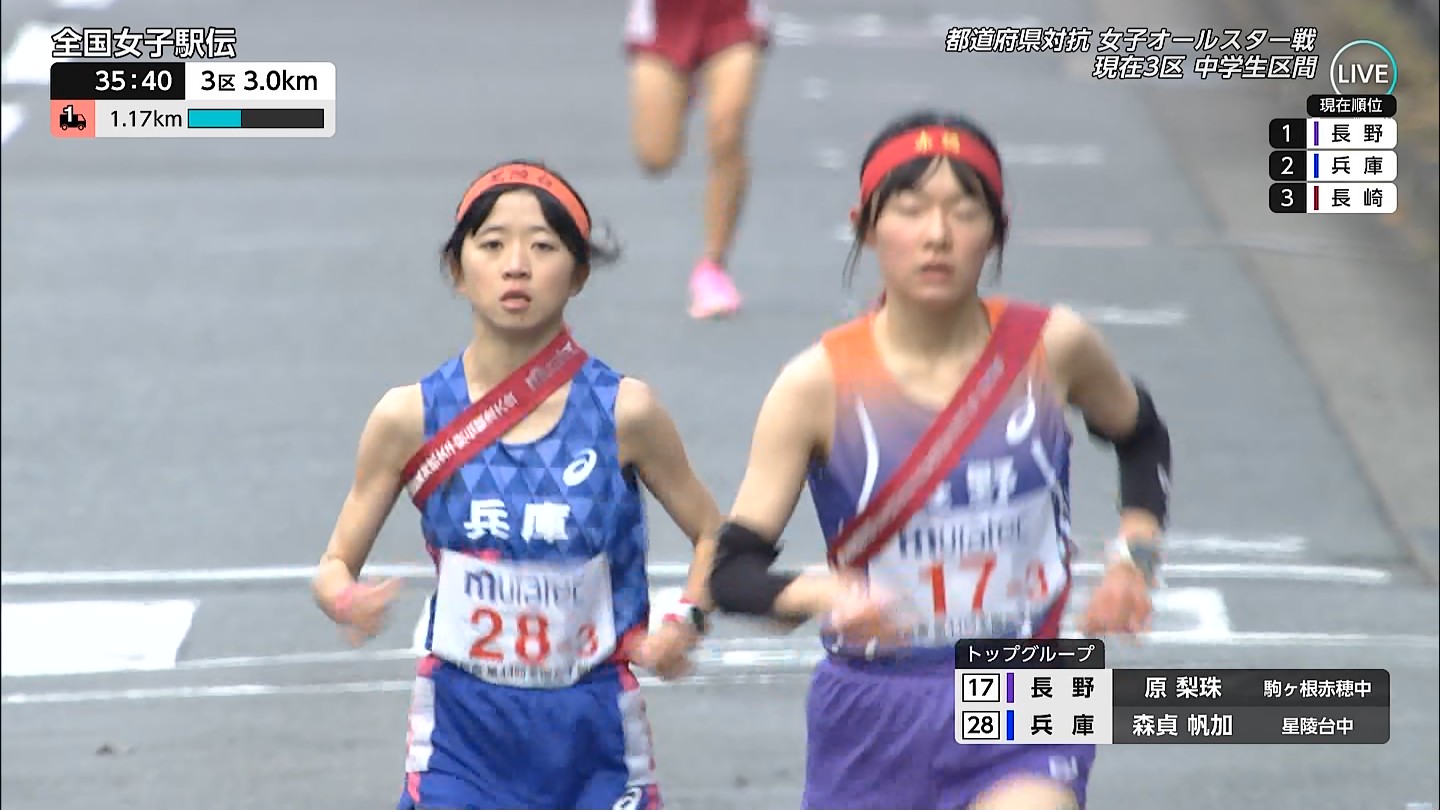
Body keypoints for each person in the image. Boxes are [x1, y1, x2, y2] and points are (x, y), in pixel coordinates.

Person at [704, 110, 1173, 810]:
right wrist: (824, 595)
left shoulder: (1053, 346)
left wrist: (1135, 556)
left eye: (965, 211)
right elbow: (730, 571)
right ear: (865, 226)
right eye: (910, 208)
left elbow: (1140, 433)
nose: (937, 235)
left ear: (998, 230)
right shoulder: (817, 383)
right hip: (874, 704)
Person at [310, 159, 721, 810]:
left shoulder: (625, 412)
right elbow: (334, 564)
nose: (517, 266)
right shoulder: (409, 417)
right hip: (461, 736)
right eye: (493, 244)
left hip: (594, 735)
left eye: (544, 246)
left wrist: (686, 621)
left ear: (579, 274)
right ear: (457, 270)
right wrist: (345, 599)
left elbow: (714, 536)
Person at [623, 0, 772, 319]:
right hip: (663, 19)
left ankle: (713, 266)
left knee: (727, 130)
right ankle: (681, 93)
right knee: (655, 156)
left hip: (732, 14)